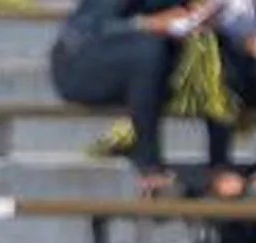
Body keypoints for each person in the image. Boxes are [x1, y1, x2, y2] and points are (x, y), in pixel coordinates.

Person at [54, 0, 204, 196]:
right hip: (80, 66)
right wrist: (147, 23)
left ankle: (220, 166)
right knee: (148, 50)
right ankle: (149, 167)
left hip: (146, 69)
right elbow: (91, 28)